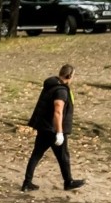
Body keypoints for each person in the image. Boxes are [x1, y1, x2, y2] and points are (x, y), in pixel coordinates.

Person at [21, 64, 85, 192]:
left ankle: (27, 182)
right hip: (53, 129)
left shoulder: (51, 85)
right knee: (63, 156)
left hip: (44, 126)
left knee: (38, 154)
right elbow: (58, 112)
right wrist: (60, 132)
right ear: (69, 76)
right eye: (73, 76)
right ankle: (68, 182)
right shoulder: (61, 91)